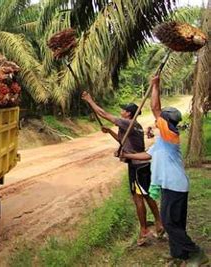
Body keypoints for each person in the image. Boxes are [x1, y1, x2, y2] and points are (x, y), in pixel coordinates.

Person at [121, 76, 209, 266]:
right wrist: (126, 155)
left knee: (169, 223)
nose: (157, 119)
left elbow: (154, 108)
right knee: (174, 222)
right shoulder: (162, 140)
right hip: (171, 186)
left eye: (160, 118)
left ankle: (196, 253)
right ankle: (179, 254)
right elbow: (146, 155)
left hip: (175, 185)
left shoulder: (170, 135)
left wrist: (155, 85)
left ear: (165, 121)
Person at [81, 92, 164, 246]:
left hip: (137, 168)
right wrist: (110, 131)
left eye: (124, 110)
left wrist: (89, 100)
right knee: (145, 196)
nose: (121, 111)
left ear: (129, 113)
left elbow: (103, 113)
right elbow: (122, 141)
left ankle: (144, 230)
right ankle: (158, 223)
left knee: (139, 198)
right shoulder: (134, 126)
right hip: (140, 167)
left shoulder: (128, 123)